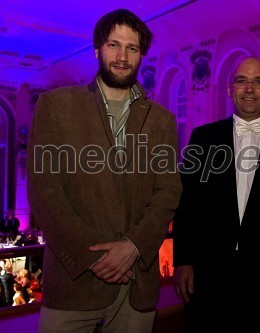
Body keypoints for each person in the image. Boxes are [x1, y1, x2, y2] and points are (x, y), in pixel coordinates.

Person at [27, 9, 182, 333]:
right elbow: (45, 192)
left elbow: (168, 191)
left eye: (132, 48)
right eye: (114, 45)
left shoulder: (161, 120)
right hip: (73, 285)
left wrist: (133, 247)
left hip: (136, 286)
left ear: (141, 56)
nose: (122, 56)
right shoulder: (56, 106)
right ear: (97, 49)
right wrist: (95, 258)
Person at [173, 56, 260, 333]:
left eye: (258, 82)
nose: (249, 88)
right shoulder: (203, 138)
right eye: (241, 81)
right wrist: (183, 260)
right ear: (229, 88)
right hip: (206, 271)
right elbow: (187, 204)